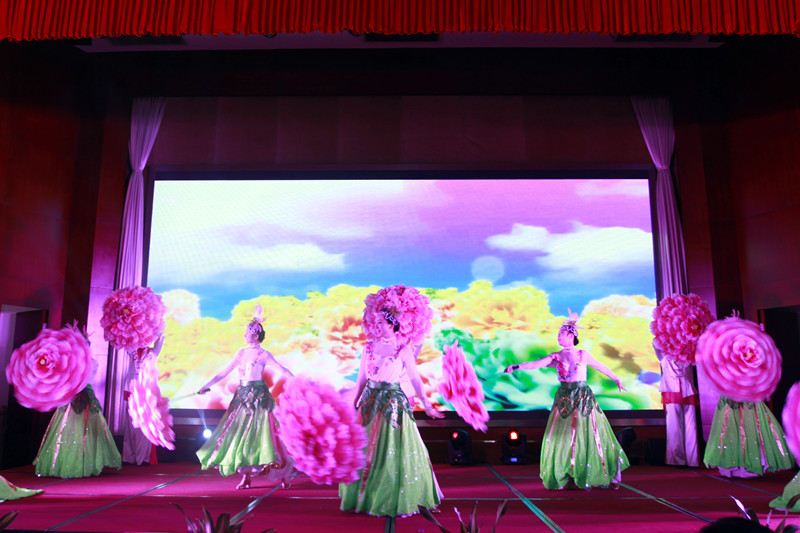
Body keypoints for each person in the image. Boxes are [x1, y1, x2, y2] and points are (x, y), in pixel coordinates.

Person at [339, 306, 443, 519]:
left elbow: (414, 378)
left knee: (393, 448)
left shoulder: (403, 348)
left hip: (393, 402)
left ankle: (394, 496)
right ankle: (364, 497)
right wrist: (354, 403)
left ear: (392, 324)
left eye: (380, 322)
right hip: (369, 401)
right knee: (365, 447)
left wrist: (427, 404)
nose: (376, 325)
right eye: (375, 322)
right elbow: (361, 379)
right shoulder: (368, 347)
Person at [504, 313, 629, 490]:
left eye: (562, 333)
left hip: (582, 396)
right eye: (558, 334)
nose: (559, 336)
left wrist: (617, 379)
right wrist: (516, 366)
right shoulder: (556, 357)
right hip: (564, 398)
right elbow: (536, 364)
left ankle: (609, 476)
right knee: (564, 437)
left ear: (571, 335)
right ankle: (568, 474)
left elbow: (601, 366)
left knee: (592, 434)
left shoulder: (583, 355)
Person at [195, 308, 294, 490]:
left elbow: (282, 369)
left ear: (256, 335)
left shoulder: (263, 354)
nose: (244, 335)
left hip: (259, 398)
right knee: (243, 436)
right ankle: (246, 476)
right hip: (242, 398)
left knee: (267, 435)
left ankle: (282, 474)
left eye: (247, 332)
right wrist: (206, 385)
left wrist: (298, 382)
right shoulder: (241, 353)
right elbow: (223, 372)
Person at [34, 359, 122, 478]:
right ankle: (68, 464)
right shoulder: (73, 360)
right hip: (72, 398)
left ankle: (85, 465)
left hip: (85, 398)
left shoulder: (90, 362)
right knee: (68, 431)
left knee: (84, 432)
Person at [703, 397, 794, 478]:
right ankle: (732, 466)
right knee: (731, 427)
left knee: (750, 426)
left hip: (748, 398)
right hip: (732, 397)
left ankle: (749, 467)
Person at [654, 344, 700, 467]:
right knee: (674, 426)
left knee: (690, 427)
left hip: (687, 390)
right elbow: (656, 343)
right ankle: (677, 459)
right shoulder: (663, 352)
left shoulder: (687, 350)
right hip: (673, 391)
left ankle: (692, 460)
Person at [123, 333, 164, 465]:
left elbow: (160, 338)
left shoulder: (152, 352)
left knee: (143, 426)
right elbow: (125, 340)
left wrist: (156, 328)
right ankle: (129, 457)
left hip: (145, 392)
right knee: (130, 427)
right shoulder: (132, 351)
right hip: (130, 390)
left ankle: (143, 458)